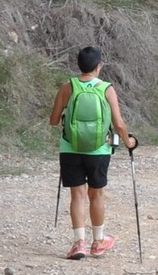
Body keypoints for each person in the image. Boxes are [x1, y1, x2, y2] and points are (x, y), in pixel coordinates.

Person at [49, 45, 139, 259]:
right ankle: (98, 242)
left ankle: (78, 244)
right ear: (99, 66)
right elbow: (119, 123)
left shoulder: (67, 87)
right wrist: (128, 142)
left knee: (77, 195)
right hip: (99, 150)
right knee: (96, 194)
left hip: (70, 149)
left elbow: (53, 120)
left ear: (79, 65)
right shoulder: (106, 89)